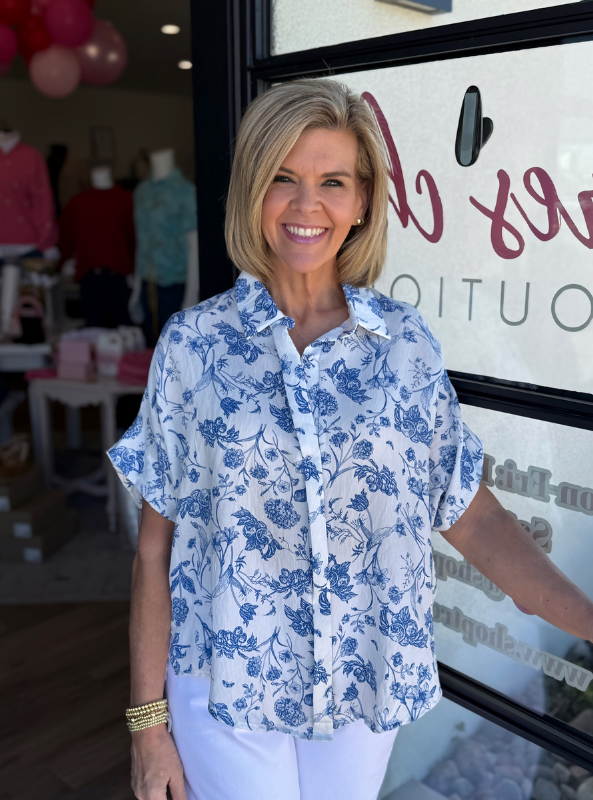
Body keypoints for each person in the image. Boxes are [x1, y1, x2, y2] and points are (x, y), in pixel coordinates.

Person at [108, 79, 593, 800]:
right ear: (251, 190)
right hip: (225, 684)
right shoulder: (194, 346)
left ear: (362, 199)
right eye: (283, 179)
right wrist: (148, 730)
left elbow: (474, 514)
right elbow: (155, 550)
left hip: (362, 679)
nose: (307, 207)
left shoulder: (404, 346)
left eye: (332, 181)